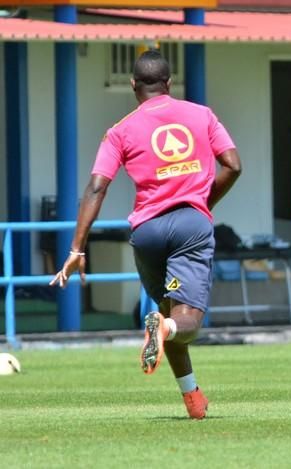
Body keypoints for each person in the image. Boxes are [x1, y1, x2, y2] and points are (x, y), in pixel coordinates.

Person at [49, 50, 242, 419]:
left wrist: (77, 248)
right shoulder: (201, 115)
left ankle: (193, 400)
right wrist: (202, 203)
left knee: (167, 312)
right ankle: (165, 325)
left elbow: (95, 188)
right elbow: (233, 165)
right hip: (190, 227)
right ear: (169, 84)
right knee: (185, 321)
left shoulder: (120, 130)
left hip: (147, 232)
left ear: (133, 85)